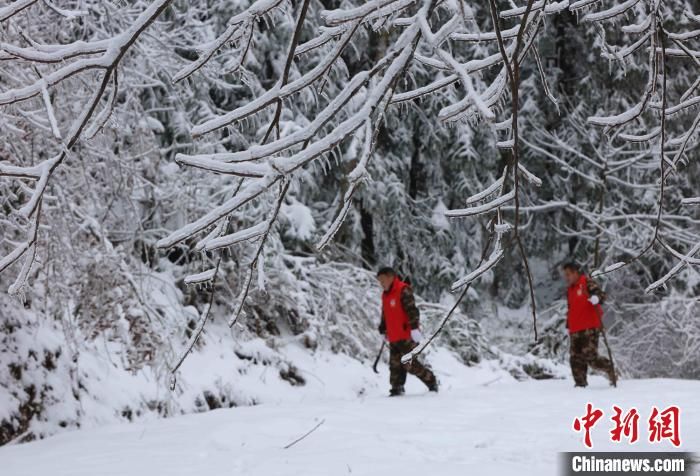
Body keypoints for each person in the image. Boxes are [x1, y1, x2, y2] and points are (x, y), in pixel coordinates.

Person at [376, 267, 438, 396]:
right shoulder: (385, 295)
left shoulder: (403, 290)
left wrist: (414, 328)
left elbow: (412, 310)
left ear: (390, 277)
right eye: (379, 281)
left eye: (382, 280)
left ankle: (431, 380)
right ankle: (396, 387)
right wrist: (383, 328)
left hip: (406, 335)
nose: (381, 284)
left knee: (410, 364)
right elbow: (385, 313)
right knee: (395, 364)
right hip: (393, 335)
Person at [562, 262, 616, 387]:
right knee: (575, 359)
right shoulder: (570, 290)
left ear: (576, 273)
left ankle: (610, 369)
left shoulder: (586, 282)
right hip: (575, 328)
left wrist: (596, 298)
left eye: (568, 274)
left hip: (590, 327)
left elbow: (601, 295)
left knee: (590, 357)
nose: (567, 277)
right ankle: (580, 385)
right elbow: (571, 309)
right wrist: (568, 325)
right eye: (565, 275)